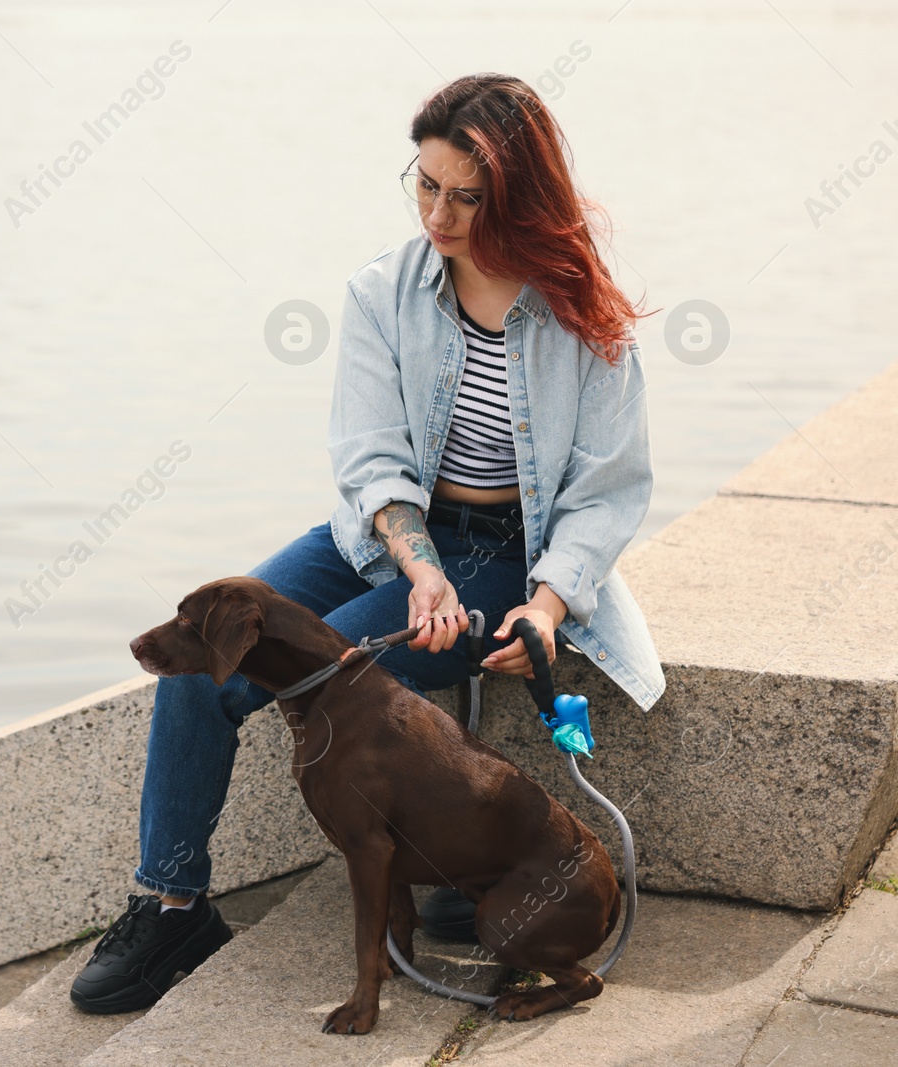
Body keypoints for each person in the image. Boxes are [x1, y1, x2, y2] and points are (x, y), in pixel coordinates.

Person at [68, 73, 665, 1015]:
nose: (438, 213)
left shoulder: (587, 319)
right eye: (424, 184)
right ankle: (172, 902)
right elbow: (369, 453)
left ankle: (472, 871)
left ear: (518, 197)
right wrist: (418, 563)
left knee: (326, 674)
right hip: (384, 534)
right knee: (200, 662)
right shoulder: (382, 292)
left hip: (510, 553)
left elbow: (605, 493)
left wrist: (544, 609)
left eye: (466, 196)